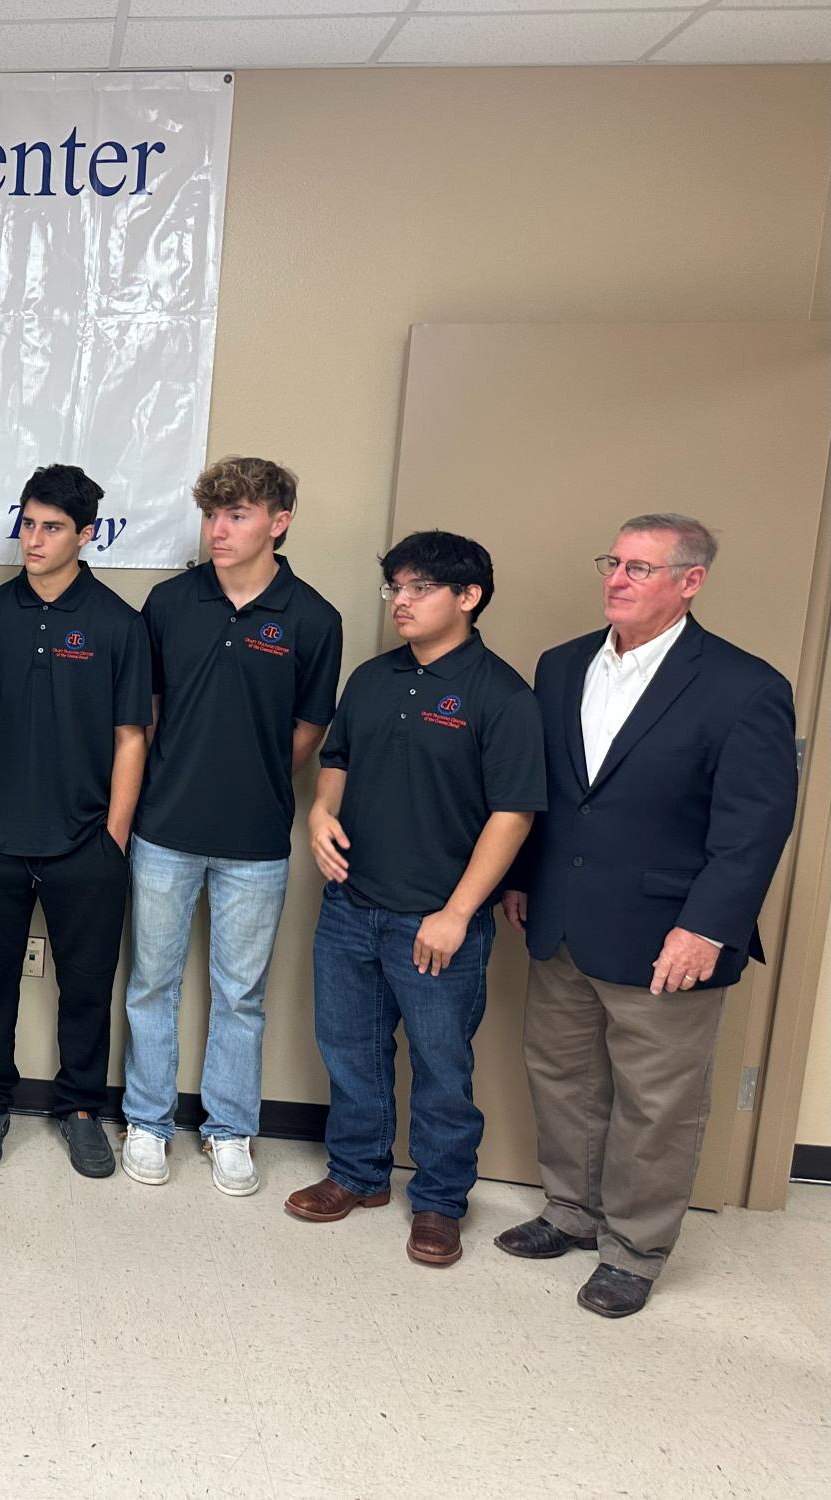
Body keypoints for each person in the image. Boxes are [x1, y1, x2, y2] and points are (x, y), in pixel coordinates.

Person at [498, 515, 796, 1318]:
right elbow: (552, 795)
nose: (617, 580)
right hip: (561, 917)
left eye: (639, 568)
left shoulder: (745, 686)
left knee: (658, 1103)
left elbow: (754, 828)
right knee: (563, 1079)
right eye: (613, 563)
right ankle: (570, 1213)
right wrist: (525, 877)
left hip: (670, 934)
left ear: (690, 582)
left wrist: (706, 927)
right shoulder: (560, 667)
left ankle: (635, 1249)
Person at [288, 531, 544, 1269]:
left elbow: (514, 813)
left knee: (440, 1067)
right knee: (350, 1051)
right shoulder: (371, 679)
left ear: (469, 598)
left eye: (420, 588)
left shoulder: (500, 694)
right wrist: (321, 813)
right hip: (350, 905)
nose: (402, 601)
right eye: (395, 587)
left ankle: (438, 1202)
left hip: (435, 919)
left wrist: (458, 913)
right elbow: (335, 759)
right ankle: (357, 1175)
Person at [120, 456, 342, 1194]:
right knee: (151, 983)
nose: (218, 530)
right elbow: (146, 715)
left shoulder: (313, 618)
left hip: (255, 841)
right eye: (212, 515)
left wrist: (250, 779)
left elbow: (308, 732)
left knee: (240, 994)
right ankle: (148, 1122)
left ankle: (229, 1130)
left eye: (237, 516)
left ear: (278, 523)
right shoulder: (170, 602)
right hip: (164, 829)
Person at [0, 464, 149, 1177]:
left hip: (85, 842)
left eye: (52, 527)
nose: (33, 539)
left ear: (85, 536)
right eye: (28, 523)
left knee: (88, 986)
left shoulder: (118, 624)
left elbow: (133, 735)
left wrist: (114, 836)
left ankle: (79, 1109)